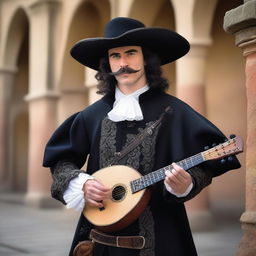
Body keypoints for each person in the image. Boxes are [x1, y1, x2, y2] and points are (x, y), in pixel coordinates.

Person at [43, 17, 241, 256]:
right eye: (115, 56)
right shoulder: (91, 116)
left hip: (161, 239)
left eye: (131, 53)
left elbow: (207, 163)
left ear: (146, 58)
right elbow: (61, 161)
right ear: (107, 63)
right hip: (97, 240)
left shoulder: (176, 112)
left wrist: (187, 183)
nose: (123, 63)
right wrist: (81, 184)